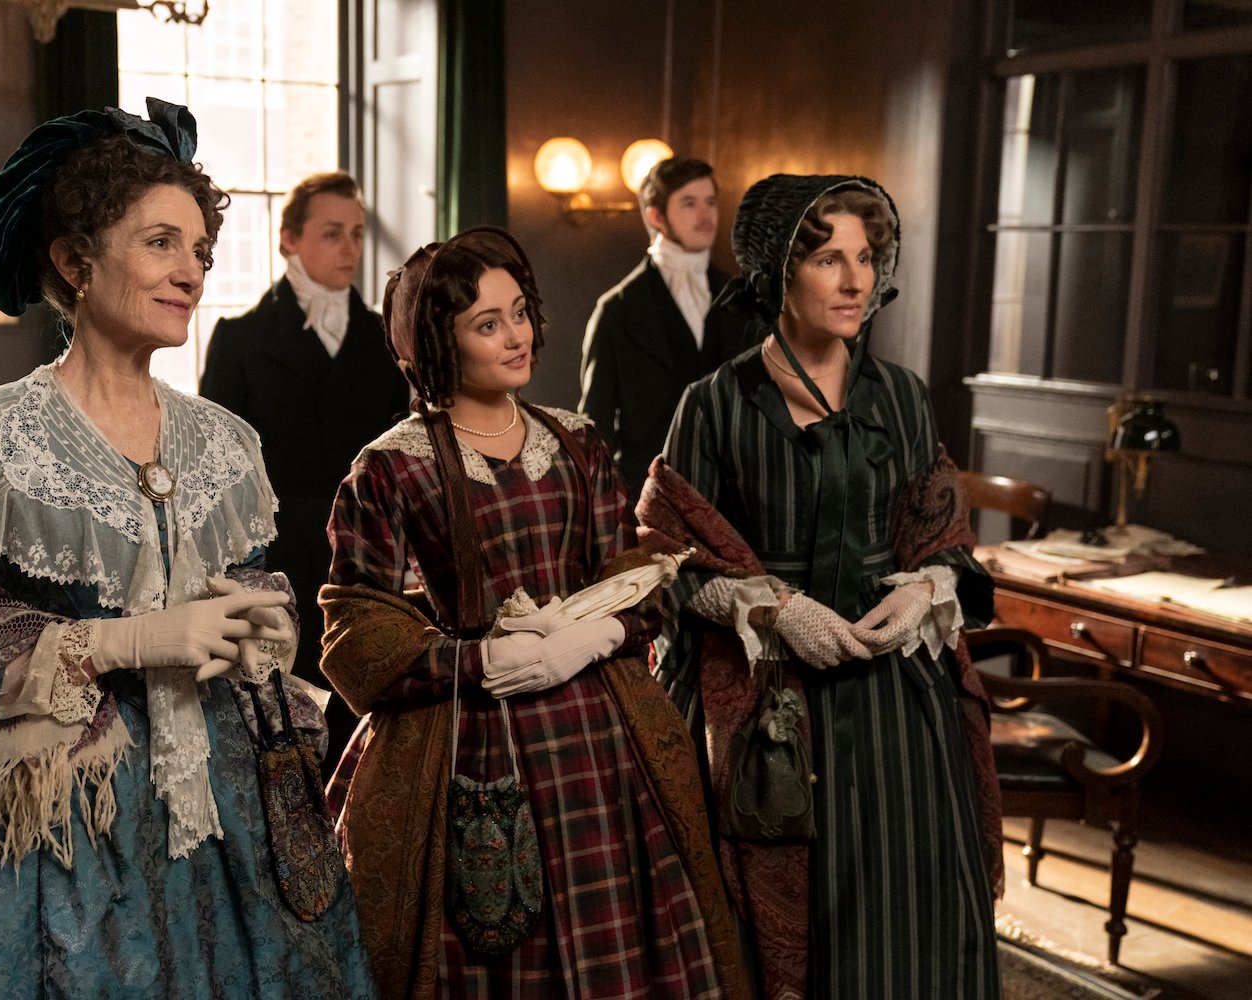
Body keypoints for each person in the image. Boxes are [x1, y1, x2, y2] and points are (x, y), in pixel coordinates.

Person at [0, 100, 375, 999]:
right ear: (74, 260)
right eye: (161, 242)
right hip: (52, 821)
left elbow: (249, 591)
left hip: (224, 806)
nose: (192, 272)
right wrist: (124, 643)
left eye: (200, 251)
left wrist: (252, 623)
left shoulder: (227, 441)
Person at [318, 227, 750, 999]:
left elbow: (636, 571)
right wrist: (478, 660)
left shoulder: (577, 441)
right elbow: (357, 631)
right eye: (488, 324)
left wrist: (593, 636)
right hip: (468, 742)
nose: (516, 336)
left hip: (602, 734)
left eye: (519, 313)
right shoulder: (392, 465)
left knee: (635, 935)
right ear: (436, 343)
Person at [640, 173, 1003, 1000]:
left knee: (912, 916)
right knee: (774, 924)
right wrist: (769, 605)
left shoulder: (902, 398)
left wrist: (926, 590)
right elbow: (663, 559)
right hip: (770, 704)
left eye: (867, 258)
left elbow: (946, 539)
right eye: (829, 259)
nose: (855, 281)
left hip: (896, 703)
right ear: (776, 272)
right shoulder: (716, 405)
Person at [200, 170, 409, 775]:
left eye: (358, 234)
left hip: (371, 559)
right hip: (280, 560)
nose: (349, 248)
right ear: (289, 240)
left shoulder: (385, 336)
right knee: (287, 738)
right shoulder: (240, 340)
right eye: (331, 233)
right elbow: (217, 480)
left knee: (368, 724)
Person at [579, 156, 755, 499]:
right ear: (656, 216)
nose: (706, 215)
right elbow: (596, 423)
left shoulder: (742, 299)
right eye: (689, 203)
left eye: (710, 202)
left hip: (731, 494)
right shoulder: (616, 309)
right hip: (645, 492)